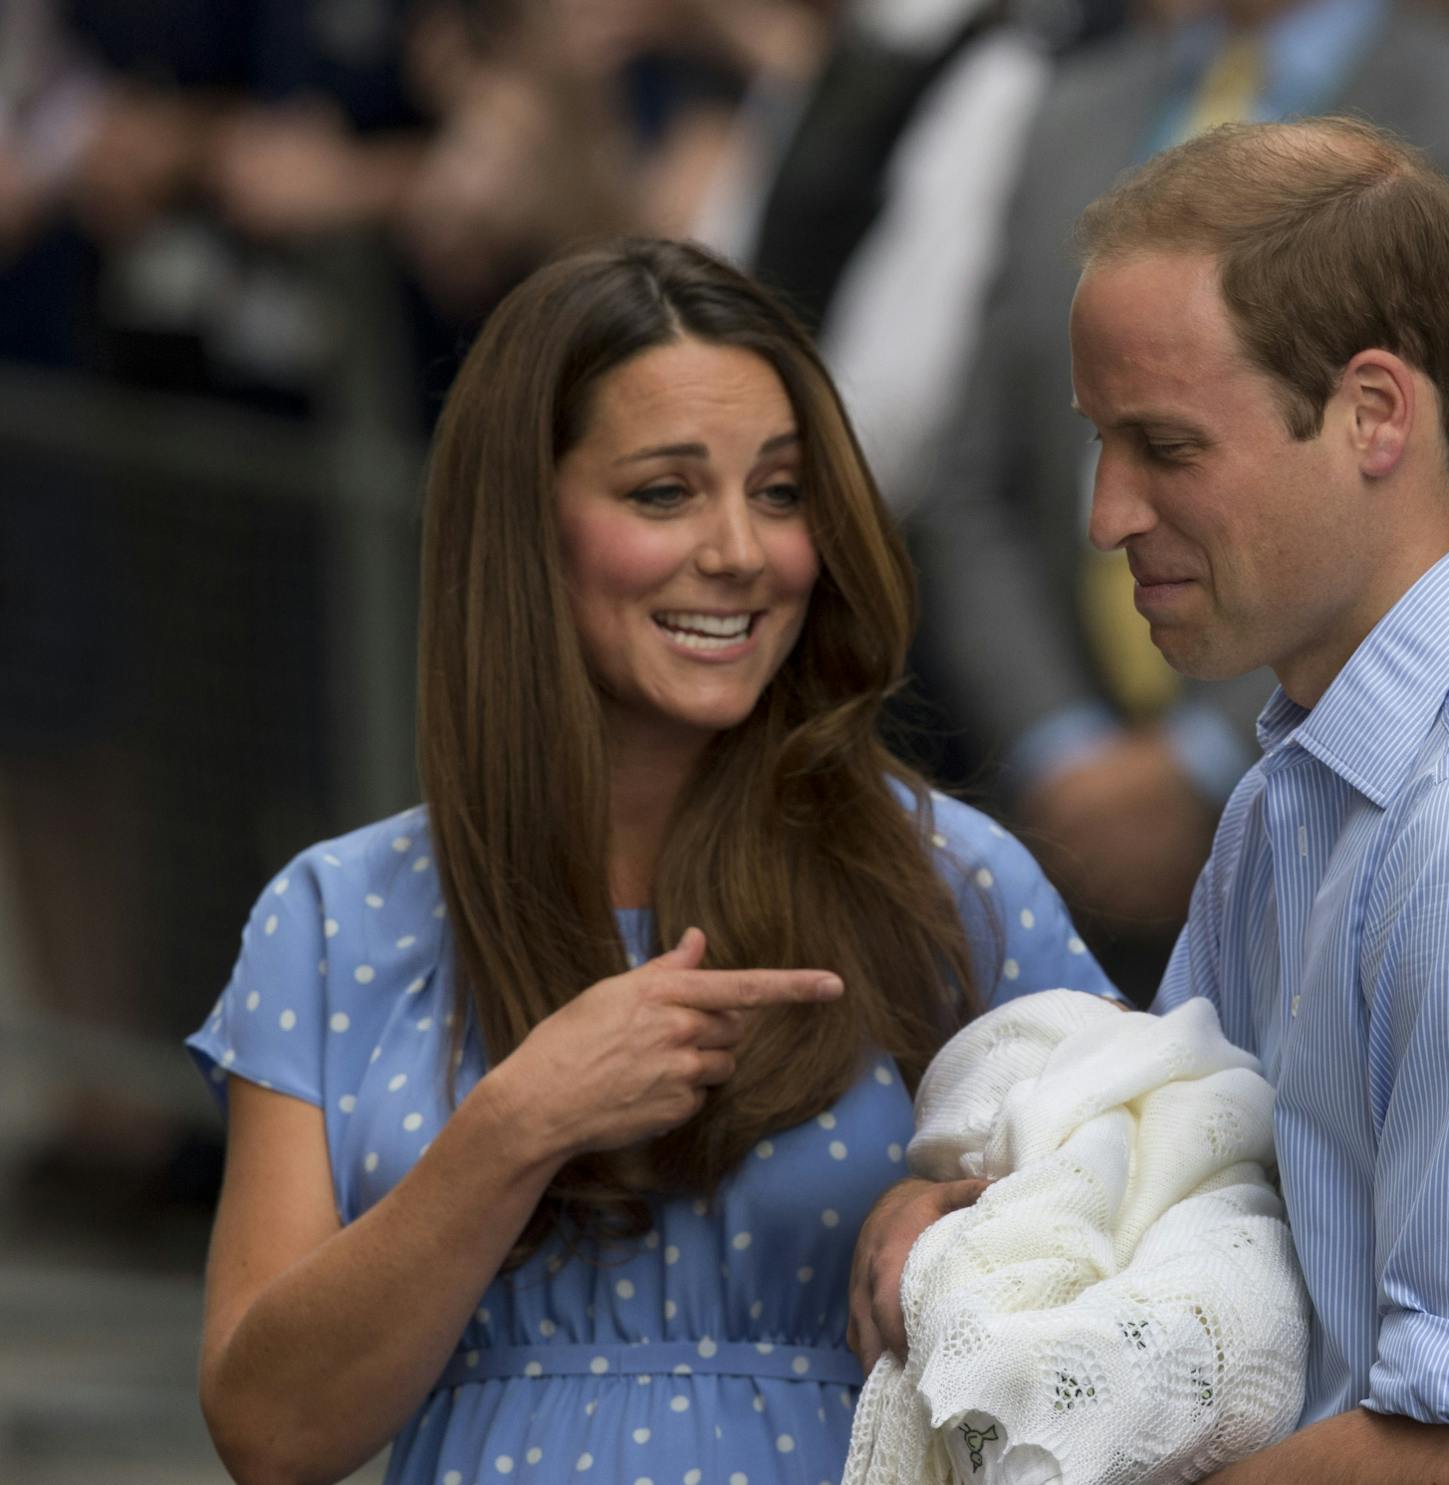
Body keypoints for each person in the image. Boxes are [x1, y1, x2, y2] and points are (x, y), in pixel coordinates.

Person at [854, 118, 1449, 1483]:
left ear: (1376, 414)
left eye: (1166, 445)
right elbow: (1188, 1216)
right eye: (1098, 444)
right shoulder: (1315, 784)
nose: (1107, 512)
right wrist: (969, 1230)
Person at [185, 237, 1119, 1485]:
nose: (742, 550)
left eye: (781, 493)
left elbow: (1159, 1218)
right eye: (665, 493)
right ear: (526, 527)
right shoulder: (330, 918)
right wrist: (515, 1124)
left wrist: (968, 1223)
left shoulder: (951, 877)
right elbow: (269, 1431)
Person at [902, 0, 1449, 970]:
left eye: (1167, 446)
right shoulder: (1070, 109)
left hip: (1362, 814)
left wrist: (1208, 766)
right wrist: (1062, 753)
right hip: (1060, 837)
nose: (1114, 515)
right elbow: (973, 480)